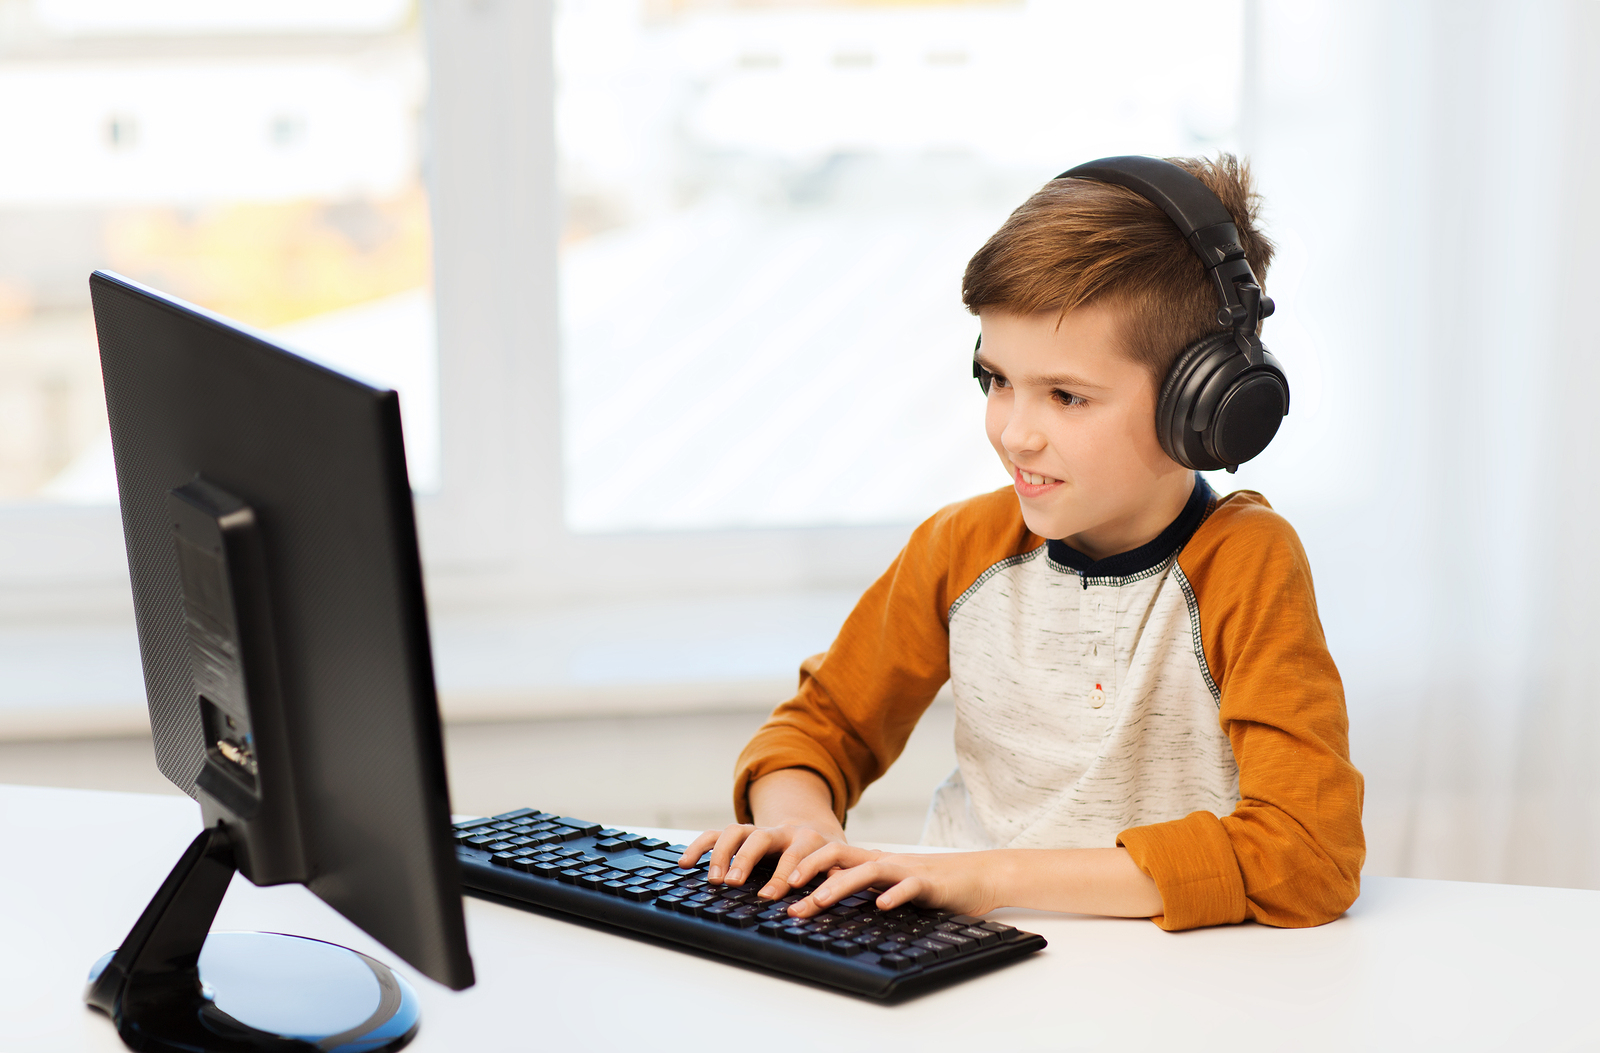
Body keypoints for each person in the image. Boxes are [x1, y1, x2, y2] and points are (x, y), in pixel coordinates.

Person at [678, 154, 1364, 932]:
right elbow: (816, 730)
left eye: (1066, 396)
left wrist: (992, 876)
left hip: (1166, 978)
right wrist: (799, 820)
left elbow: (1311, 855)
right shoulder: (961, 547)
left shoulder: (1245, 564)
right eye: (995, 379)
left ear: (1203, 407)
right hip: (953, 950)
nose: (1014, 432)